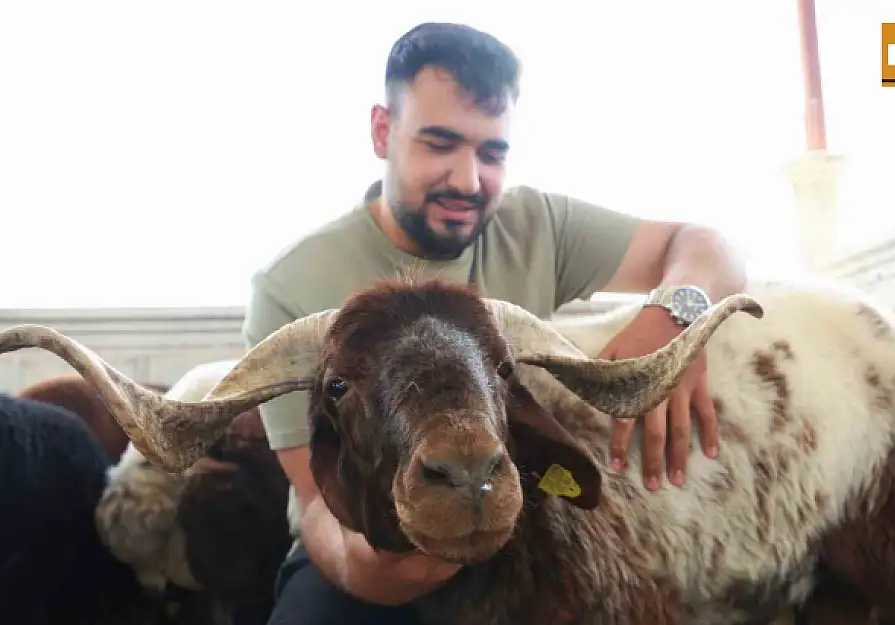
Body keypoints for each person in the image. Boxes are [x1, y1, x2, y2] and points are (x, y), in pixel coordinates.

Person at [242, 21, 750, 625]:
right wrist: (364, 570)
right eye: (438, 144)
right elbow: (314, 493)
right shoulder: (289, 287)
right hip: (371, 542)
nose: (468, 180)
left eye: (492, 152)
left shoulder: (535, 225)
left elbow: (707, 244)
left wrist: (676, 319)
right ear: (383, 132)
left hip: (518, 516)